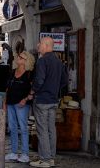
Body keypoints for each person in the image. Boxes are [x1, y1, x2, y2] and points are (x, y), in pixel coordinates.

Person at [29, 37, 68, 168]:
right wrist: (54, 89)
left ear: (46, 45)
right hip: (53, 100)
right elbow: (64, 81)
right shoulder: (58, 62)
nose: (38, 45)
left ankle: (45, 159)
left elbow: (39, 80)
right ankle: (51, 158)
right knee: (51, 129)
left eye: (40, 43)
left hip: (42, 100)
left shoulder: (42, 61)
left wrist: (32, 92)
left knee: (42, 130)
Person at [5, 51, 35, 163]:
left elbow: (33, 89)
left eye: (21, 57)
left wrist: (26, 99)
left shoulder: (29, 74)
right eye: (18, 56)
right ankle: (13, 152)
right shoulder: (13, 72)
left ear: (26, 61)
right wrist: (5, 103)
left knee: (23, 128)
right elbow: (7, 89)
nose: (18, 58)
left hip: (21, 104)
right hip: (10, 103)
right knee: (12, 128)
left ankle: (25, 154)